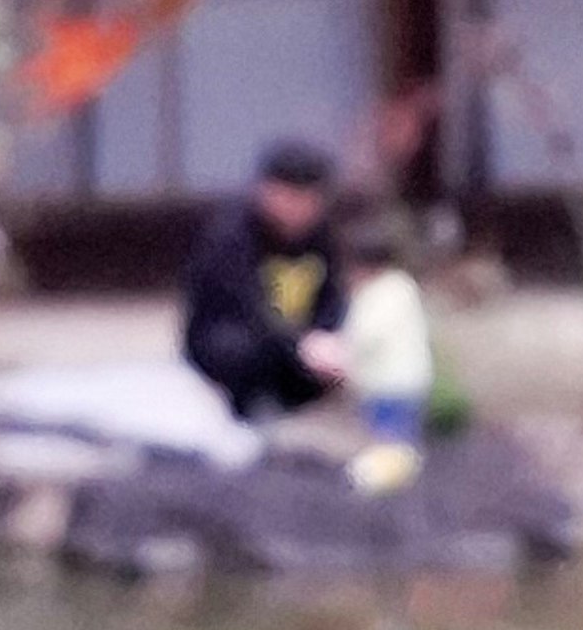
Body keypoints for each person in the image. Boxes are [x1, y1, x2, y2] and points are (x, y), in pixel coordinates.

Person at [182, 138, 348, 422]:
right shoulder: (232, 237)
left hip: (298, 341)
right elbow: (244, 306)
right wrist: (300, 344)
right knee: (237, 348)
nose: (302, 210)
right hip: (238, 338)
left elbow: (332, 295)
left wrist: (326, 336)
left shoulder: (320, 236)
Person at [338, 215, 435, 495]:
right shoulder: (398, 288)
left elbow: (369, 334)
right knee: (392, 438)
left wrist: (340, 348)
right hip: (394, 381)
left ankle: (378, 483)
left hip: (392, 383)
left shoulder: (387, 291)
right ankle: (397, 478)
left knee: (391, 439)